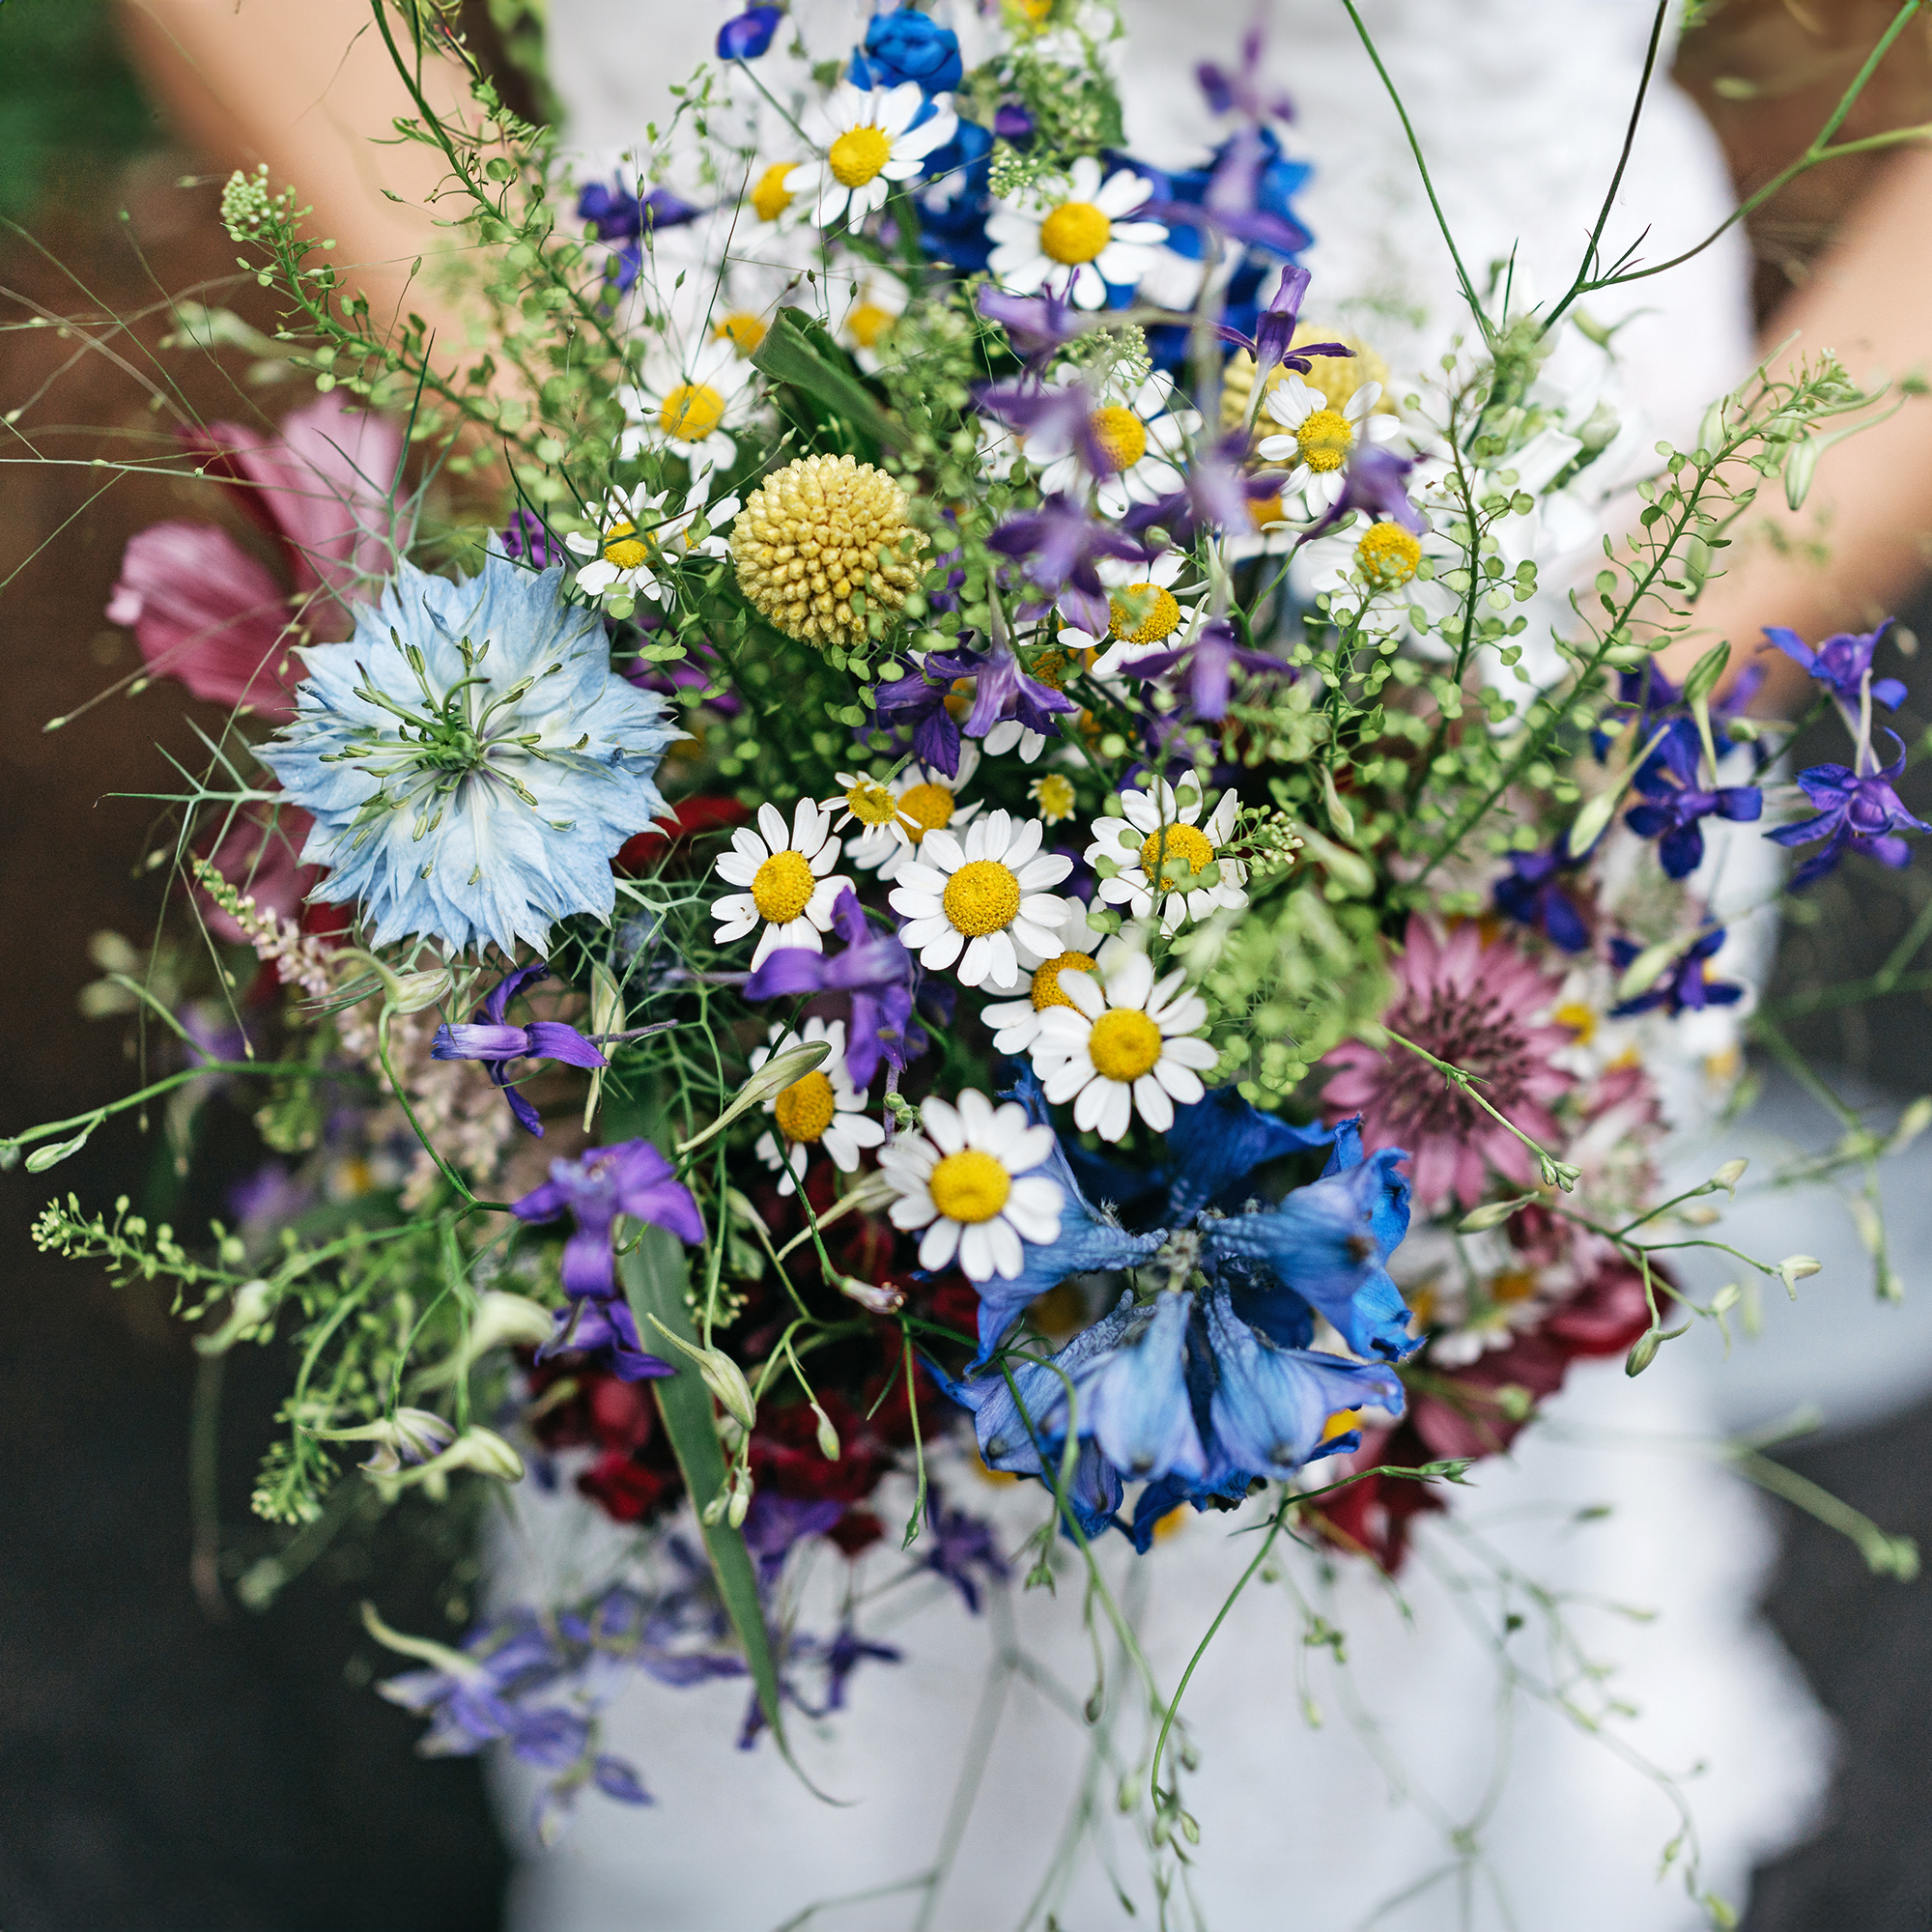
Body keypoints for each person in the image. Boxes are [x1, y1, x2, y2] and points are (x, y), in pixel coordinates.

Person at [113, 3, 1932, 1925]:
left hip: (1531, 588)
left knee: (1351, 1439)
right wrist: (628, 538)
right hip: (691, 465)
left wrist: (1649, 654)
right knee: (780, 1424)